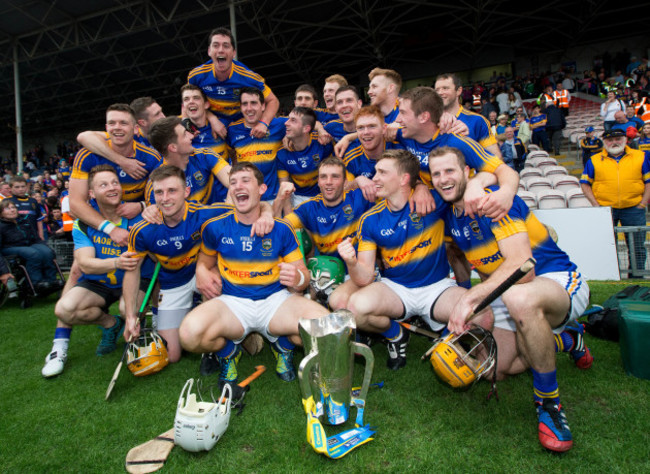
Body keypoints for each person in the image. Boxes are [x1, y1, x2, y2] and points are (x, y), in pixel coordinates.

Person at [429, 146, 591, 453]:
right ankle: (567, 341)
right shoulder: (451, 215)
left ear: (467, 173)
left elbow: (522, 267)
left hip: (554, 279)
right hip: (510, 291)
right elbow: (459, 259)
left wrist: (469, 299)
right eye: (436, 173)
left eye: (449, 171)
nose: (442, 179)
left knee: (519, 297)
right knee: (492, 368)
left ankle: (549, 404)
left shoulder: (491, 200)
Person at [178, 162, 329, 388]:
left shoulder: (281, 228)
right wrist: (200, 271)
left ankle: (283, 346)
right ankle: (229, 353)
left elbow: (304, 277)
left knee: (324, 328)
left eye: (245, 181)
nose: (238, 186)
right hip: (233, 302)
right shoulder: (214, 227)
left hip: (275, 301)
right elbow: (205, 261)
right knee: (189, 334)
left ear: (262, 189)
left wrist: (297, 279)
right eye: (233, 182)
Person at [123, 165, 274, 364]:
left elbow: (254, 205)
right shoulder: (142, 230)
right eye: (159, 192)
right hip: (172, 282)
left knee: (212, 279)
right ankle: (194, 312)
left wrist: (267, 214)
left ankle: (213, 348)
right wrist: (130, 317)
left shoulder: (204, 214)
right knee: (172, 355)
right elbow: (132, 272)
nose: (165, 198)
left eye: (172, 191)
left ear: (186, 192)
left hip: (202, 273)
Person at [338, 149, 466, 370]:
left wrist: (424, 186)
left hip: (437, 287)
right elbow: (365, 276)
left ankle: (445, 340)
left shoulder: (434, 201)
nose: (374, 178)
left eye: (382, 173)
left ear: (404, 179)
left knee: (479, 313)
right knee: (354, 310)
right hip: (396, 289)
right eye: (375, 172)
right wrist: (351, 262)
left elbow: (466, 182)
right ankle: (396, 335)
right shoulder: (370, 220)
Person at [41, 166, 143, 377]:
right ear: (91, 193)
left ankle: (135, 325)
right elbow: (85, 264)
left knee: (128, 310)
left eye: (115, 183)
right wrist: (117, 262)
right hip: (100, 282)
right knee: (64, 309)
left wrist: (143, 205)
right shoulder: (84, 223)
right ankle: (111, 324)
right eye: (103, 185)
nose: (112, 188)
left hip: (133, 280)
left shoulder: (136, 216)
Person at [395, 86, 519, 220]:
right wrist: (419, 185)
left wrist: (506, 193)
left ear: (424, 116)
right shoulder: (403, 134)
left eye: (402, 113)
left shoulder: (456, 142)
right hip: (433, 218)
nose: (397, 119)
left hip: (465, 215)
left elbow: (504, 170)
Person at [279, 156, 375, 309]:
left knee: (339, 303)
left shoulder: (360, 198)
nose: (328, 182)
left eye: (335, 177)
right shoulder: (309, 207)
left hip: (359, 269)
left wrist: (360, 179)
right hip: (327, 271)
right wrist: (280, 198)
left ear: (345, 182)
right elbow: (279, 227)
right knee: (298, 295)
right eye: (323, 177)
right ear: (318, 182)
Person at [70, 104, 162, 247]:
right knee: (79, 268)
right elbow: (75, 203)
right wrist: (111, 229)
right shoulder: (86, 155)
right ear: (106, 128)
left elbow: (163, 195)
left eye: (123, 123)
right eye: (112, 123)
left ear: (135, 128)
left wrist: (141, 205)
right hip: (100, 222)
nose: (117, 127)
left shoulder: (151, 158)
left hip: (137, 221)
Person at [187, 27, 280, 139]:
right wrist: (212, 119)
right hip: (212, 124)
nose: (221, 50)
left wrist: (263, 123)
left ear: (233, 52)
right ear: (209, 51)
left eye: (226, 46)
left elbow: (273, 101)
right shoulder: (196, 76)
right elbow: (188, 104)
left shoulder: (248, 77)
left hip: (241, 125)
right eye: (216, 45)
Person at [581, 129, 650, 278]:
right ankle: (612, 276)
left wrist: (643, 204)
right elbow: (585, 184)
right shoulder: (594, 160)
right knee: (607, 246)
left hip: (634, 208)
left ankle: (636, 277)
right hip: (606, 210)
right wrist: (596, 206)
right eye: (610, 140)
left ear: (625, 139)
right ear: (604, 142)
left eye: (618, 139)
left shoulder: (641, 156)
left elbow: (648, 182)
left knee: (637, 246)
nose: (614, 142)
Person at [76, 97, 165, 181]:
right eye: (157, 114)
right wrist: (122, 161)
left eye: (161, 111)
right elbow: (84, 137)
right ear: (142, 123)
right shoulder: (128, 135)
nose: (164, 116)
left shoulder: (171, 130)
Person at [146, 116, 230, 204]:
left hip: (216, 215)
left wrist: (227, 212)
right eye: (185, 134)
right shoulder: (156, 184)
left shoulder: (203, 155)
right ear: (173, 147)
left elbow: (234, 181)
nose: (191, 136)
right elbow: (159, 215)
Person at [226, 87, 287, 202]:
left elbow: (306, 121)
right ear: (241, 107)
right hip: (245, 198)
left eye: (253, 103)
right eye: (245, 104)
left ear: (263, 106)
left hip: (272, 197)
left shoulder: (279, 124)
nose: (249, 108)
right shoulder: (233, 129)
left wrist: (289, 136)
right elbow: (231, 154)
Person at [276, 107, 334, 210]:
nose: (286, 123)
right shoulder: (282, 153)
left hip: (323, 196)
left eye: (293, 120)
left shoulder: (322, 143)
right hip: (297, 198)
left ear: (306, 129)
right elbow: (285, 190)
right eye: (288, 119)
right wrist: (289, 222)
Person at [343, 105, 402, 201]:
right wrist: (358, 180)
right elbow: (344, 187)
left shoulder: (398, 148)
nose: (366, 132)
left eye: (372, 126)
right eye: (361, 128)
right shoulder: (351, 155)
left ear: (384, 129)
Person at [434, 73, 501, 158]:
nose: (440, 93)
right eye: (437, 90)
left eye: (445, 88)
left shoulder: (477, 120)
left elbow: (496, 157)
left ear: (458, 91)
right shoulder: (428, 121)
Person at [0, 199, 59, 292]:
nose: (12, 210)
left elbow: (36, 238)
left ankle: (51, 280)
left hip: (28, 245)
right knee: (32, 253)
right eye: (7, 208)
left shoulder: (24, 221)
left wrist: (48, 249)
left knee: (47, 252)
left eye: (13, 207)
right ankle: (36, 283)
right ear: (1, 213)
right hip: (8, 248)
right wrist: (3, 271)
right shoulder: (1, 225)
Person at [180, 84, 228, 159]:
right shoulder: (176, 128)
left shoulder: (222, 123)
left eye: (196, 98)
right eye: (186, 99)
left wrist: (213, 118)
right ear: (183, 107)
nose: (191, 102)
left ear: (206, 104)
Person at [9, 176, 45, 241]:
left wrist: (41, 235)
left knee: (47, 251)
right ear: (11, 188)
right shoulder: (7, 202)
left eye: (23, 186)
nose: (20, 189)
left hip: (33, 237)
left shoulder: (33, 201)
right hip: (14, 238)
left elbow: (39, 220)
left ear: (27, 187)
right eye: (17, 187)